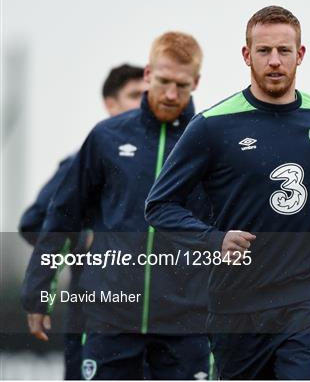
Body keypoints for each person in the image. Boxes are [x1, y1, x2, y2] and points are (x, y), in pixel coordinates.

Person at [145, 5, 310, 380]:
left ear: (300, 55)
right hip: (237, 305)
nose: (274, 61)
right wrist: (214, 239)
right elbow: (159, 206)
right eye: (263, 51)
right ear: (246, 55)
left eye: (284, 51)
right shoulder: (212, 125)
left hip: (309, 298)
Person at [21, 32, 212, 380]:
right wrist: (37, 291)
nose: (171, 94)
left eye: (182, 85)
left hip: (187, 325)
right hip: (110, 319)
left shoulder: (211, 140)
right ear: (148, 74)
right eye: (164, 81)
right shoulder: (106, 137)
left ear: (196, 81)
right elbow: (63, 214)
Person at [19, 63, 146, 380]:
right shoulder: (84, 161)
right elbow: (33, 221)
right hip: (93, 315)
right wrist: (86, 239)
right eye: (134, 95)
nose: (142, 103)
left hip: (156, 319)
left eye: (147, 95)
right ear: (110, 104)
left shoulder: (166, 161)